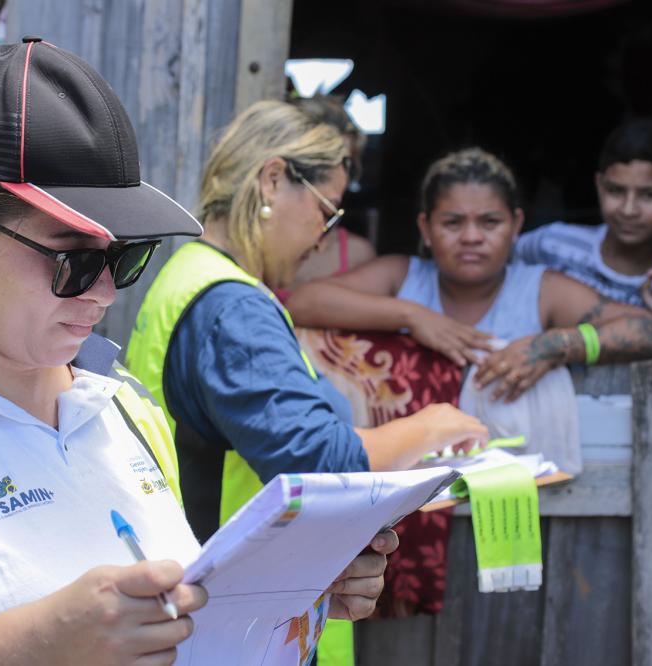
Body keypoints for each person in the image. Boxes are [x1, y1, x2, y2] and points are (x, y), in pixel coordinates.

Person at [0, 40, 393, 666]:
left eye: (123, 256)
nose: (105, 292)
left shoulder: (122, 403)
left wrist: (283, 593)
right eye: (73, 259)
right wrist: (40, 642)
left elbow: (182, 617)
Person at [125, 100, 488, 665]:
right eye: (328, 211)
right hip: (234, 628)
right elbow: (324, 462)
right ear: (274, 180)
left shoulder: (192, 276)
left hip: (215, 610)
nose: (324, 238)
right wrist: (430, 423)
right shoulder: (231, 307)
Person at [287, 147, 652, 404]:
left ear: (516, 225)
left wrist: (558, 344)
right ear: (425, 227)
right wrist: (411, 316)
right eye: (453, 222)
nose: (471, 237)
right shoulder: (401, 277)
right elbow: (302, 302)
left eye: (489, 222)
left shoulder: (542, 291)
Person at [515, 119, 652, 323]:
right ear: (599, 186)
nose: (628, 210)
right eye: (616, 191)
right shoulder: (551, 245)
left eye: (649, 195)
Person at [278, 95, 376, 295]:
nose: (331, 172)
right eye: (322, 158)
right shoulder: (253, 248)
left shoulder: (357, 254)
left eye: (344, 162)